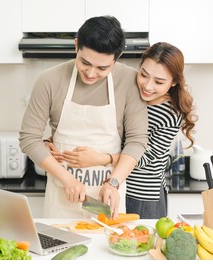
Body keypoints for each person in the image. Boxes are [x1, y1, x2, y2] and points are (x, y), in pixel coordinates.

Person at [47, 42, 197, 219]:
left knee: (136, 243)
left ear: (173, 83)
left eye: (159, 82)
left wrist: (100, 159)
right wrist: (50, 141)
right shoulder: (130, 93)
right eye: (144, 75)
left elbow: (143, 158)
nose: (148, 86)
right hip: (112, 187)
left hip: (141, 195)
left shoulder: (169, 113)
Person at [19, 16, 148, 219]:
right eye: (85, 62)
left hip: (108, 199)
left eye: (102, 68)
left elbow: (137, 141)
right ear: (77, 45)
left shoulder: (129, 82)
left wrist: (113, 182)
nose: (90, 73)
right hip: (61, 199)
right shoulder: (49, 80)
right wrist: (67, 179)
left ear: (117, 57)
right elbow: (28, 139)